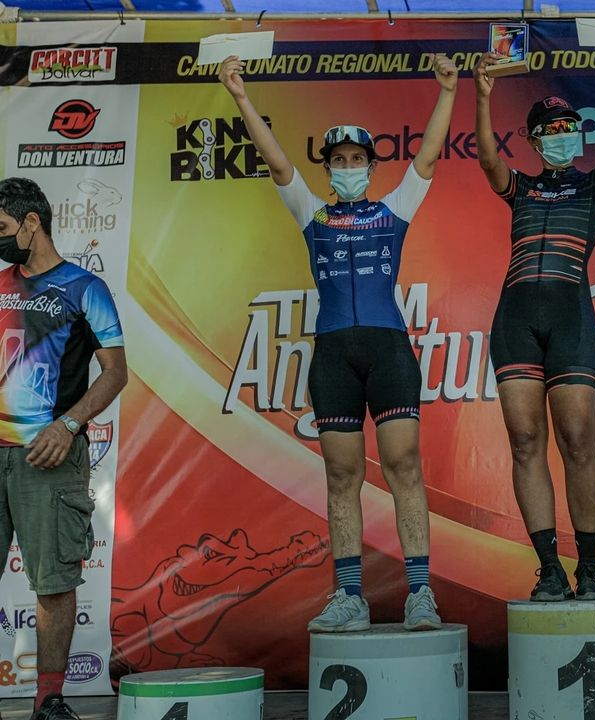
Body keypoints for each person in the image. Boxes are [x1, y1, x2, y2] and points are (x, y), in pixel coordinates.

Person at [218, 53, 459, 632]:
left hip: (388, 350)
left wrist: (448, 91)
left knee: (403, 466)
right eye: (338, 160)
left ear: (370, 167)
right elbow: (277, 162)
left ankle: (420, 594)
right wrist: (241, 97)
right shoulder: (312, 213)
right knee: (341, 476)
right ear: (328, 168)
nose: (348, 167)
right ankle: (350, 597)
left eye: (357, 159)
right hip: (333, 356)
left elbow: (427, 158)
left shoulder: (394, 210)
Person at [474, 37, 595, 602]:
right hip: (515, 320)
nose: (562, 134)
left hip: (571, 319)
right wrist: (482, 95)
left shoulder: (594, 184)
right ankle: (549, 569)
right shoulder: (520, 187)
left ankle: (589, 567)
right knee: (525, 441)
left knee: (577, 441)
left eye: (569, 126)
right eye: (550, 129)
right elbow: (488, 160)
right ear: (534, 140)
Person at [0, 177, 127, 720]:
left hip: (47, 453)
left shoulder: (84, 287)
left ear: (33, 222)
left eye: (3, 227)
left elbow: (116, 372)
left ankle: (48, 701)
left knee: (53, 583)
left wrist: (69, 425)